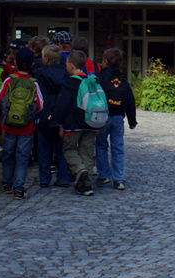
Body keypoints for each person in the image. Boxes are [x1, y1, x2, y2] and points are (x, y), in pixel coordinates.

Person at [0, 47, 44, 199]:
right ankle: (19, 187)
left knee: (9, 154)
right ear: (32, 65)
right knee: (22, 157)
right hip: (26, 128)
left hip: (9, 125)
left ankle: (7, 183)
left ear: (15, 62)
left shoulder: (10, 80)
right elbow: (40, 105)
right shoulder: (33, 84)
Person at [56, 50, 98, 196]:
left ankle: (80, 170)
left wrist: (59, 123)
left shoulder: (69, 83)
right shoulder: (91, 81)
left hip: (72, 124)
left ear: (72, 66)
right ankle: (86, 186)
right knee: (87, 151)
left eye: (67, 64)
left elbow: (63, 105)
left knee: (69, 150)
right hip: (91, 123)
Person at [95, 47, 137, 190]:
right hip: (118, 117)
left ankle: (103, 175)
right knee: (117, 147)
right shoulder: (123, 80)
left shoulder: (99, 78)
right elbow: (130, 101)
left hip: (102, 116)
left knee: (101, 145)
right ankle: (118, 178)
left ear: (105, 61)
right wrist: (132, 120)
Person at [31, 44, 72, 188]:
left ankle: (44, 177)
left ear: (46, 59)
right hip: (62, 115)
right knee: (62, 150)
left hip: (44, 114)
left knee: (44, 149)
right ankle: (63, 177)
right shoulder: (66, 74)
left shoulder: (39, 74)